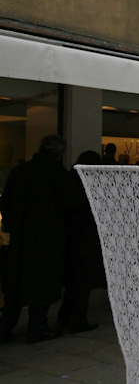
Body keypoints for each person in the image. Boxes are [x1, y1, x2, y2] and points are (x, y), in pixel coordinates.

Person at [0, 135, 77, 343]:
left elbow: (6, 203)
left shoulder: (20, 171)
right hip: (47, 240)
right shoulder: (57, 174)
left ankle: (5, 327)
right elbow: (72, 205)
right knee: (41, 286)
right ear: (59, 153)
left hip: (21, 238)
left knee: (16, 286)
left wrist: (14, 226)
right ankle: (37, 327)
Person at [58, 150, 105, 334]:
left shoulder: (69, 181)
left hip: (72, 240)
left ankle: (65, 317)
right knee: (82, 284)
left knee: (74, 283)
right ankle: (78, 319)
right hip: (86, 241)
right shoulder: (91, 184)